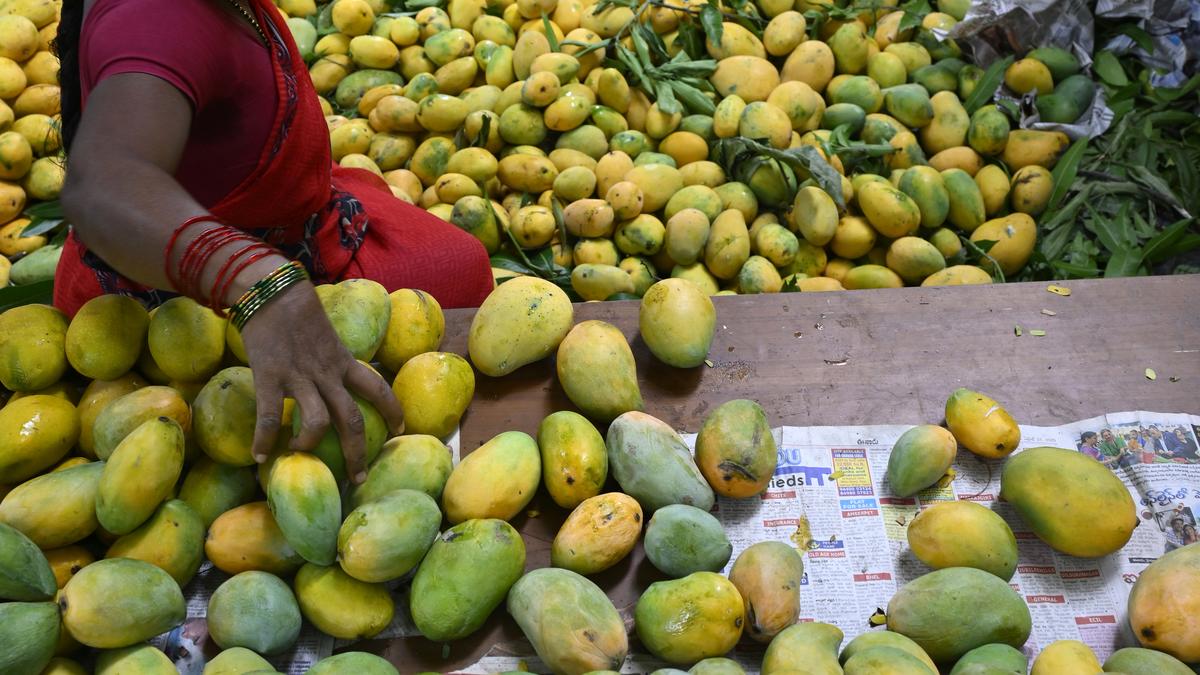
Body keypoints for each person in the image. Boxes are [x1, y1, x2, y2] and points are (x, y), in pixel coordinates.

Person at [54, 0, 495, 482]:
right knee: (453, 276)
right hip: (181, 296)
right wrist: (259, 285)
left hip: (289, 226)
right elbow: (103, 188)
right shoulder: (158, 14)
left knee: (457, 261)